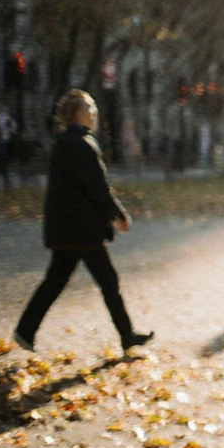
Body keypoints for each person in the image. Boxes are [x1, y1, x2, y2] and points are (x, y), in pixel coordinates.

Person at [13, 90, 153, 355]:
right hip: (82, 230)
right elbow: (97, 186)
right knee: (106, 282)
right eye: (91, 109)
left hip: (70, 229)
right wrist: (119, 214)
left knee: (58, 281)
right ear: (79, 113)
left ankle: (25, 331)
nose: (94, 114)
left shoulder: (68, 142)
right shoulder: (80, 143)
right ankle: (126, 336)